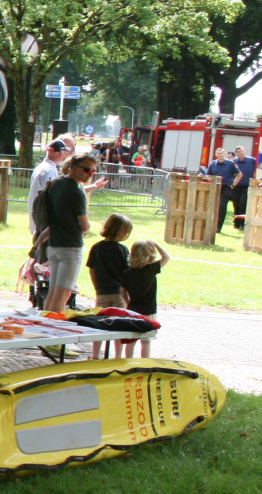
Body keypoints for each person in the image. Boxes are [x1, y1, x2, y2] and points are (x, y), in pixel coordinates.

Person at [41, 153, 98, 313]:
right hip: (70, 248)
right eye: (87, 169)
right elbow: (85, 227)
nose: (90, 174)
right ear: (74, 167)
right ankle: (52, 327)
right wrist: (87, 228)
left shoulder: (56, 183)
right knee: (63, 294)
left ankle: (45, 322)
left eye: (93, 171)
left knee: (53, 291)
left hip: (54, 245)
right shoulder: (76, 192)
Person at [86, 213, 133, 358]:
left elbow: (92, 270)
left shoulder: (96, 248)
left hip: (102, 292)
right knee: (119, 325)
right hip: (119, 293)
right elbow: (127, 272)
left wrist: (97, 288)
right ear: (122, 232)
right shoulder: (122, 250)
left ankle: (95, 355)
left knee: (99, 325)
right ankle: (117, 356)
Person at [117, 239, 169, 357]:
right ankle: (144, 362)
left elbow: (122, 290)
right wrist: (156, 244)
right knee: (146, 341)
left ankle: (128, 361)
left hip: (133, 310)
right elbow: (166, 257)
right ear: (149, 255)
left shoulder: (128, 273)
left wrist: (127, 302)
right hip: (149, 311)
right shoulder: (151, 269)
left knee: (131, 340)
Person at [27, 139, 73, 238]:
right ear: (60, 153)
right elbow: (51, 194)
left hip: (37, 211)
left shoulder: (41, 167)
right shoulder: (50, 170)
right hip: (43, 214)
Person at [203, 148, 237, 233]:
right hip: (215, 187)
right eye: (219, 153)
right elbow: (207, 176)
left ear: (225, 154)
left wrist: (233, 184)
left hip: (226, 187)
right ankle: (210, 225)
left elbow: (239, 174)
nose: (220, 155)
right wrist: (211, 181)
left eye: (222, 153)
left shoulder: (230, 164)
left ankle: (218, 227)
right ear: (216, 154)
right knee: (213, 206)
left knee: (222, 206)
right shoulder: (212, 164)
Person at [231, 146, 257, 226]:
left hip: (247, 186)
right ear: (236, 154)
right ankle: (236, 222)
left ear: (244, 151)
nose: (241, 153)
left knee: (243, 203)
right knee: (236, 204)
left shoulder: (252, 160)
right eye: (239, 152)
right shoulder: (233, 162)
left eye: (242, 151)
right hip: (236, 186)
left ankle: (242, 223)